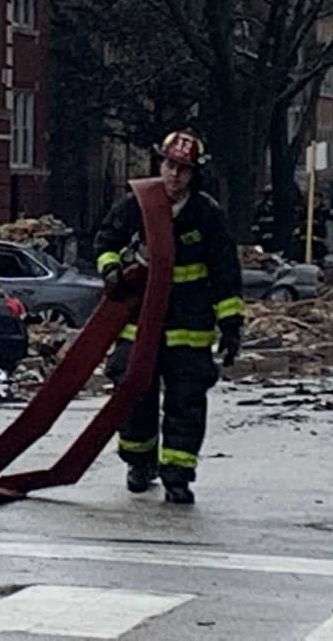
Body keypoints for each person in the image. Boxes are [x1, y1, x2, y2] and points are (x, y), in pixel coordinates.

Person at [95, 129, 243, 506]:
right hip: (140, 323)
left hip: (188, 327)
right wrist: (111, 270)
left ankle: (177, 476)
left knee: (186, 403)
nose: (174, 175)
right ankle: (139, 462)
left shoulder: (206, 215)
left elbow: (225, 272)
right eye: (170, 165)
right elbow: (106, 242)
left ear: (194, 174)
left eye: (183, 169)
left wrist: (231, 324)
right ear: (160, 163)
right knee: (132, 394)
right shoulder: (135, 205)